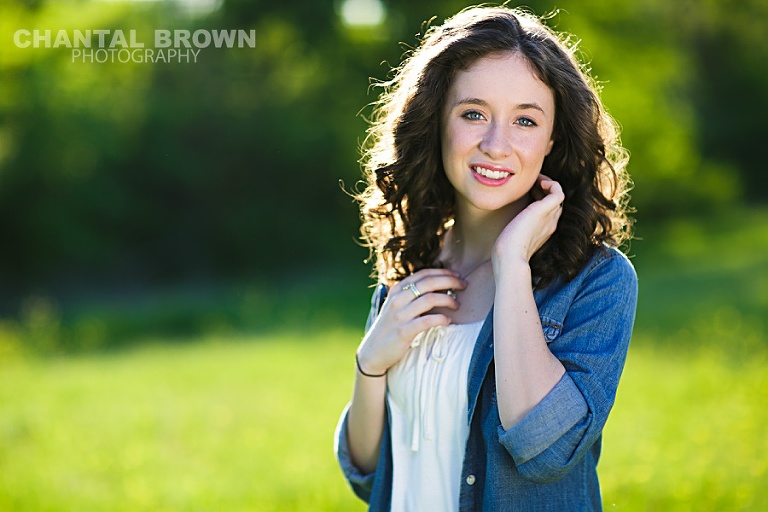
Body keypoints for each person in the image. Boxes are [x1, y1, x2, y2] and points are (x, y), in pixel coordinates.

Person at [334, 5, 638, 511]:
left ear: (552, 138)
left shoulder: (598, 281)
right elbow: (368, 473)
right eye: (473, 113)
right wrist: (369, 364)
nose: (497, 145)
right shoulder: (410, 269)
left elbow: (548, 451)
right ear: (438, 121)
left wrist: (512, 262)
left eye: (525, 120)